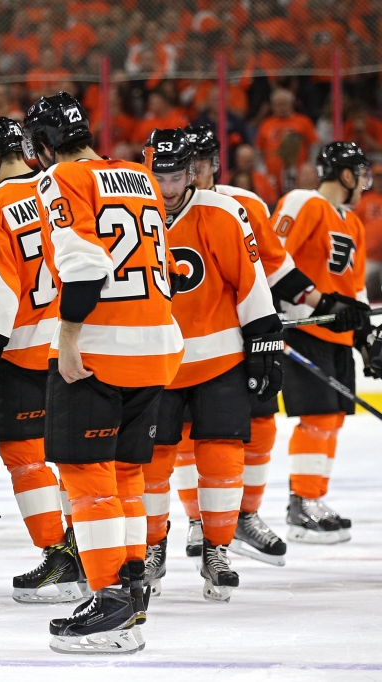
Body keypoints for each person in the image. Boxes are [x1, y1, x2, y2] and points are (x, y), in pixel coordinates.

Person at [26, 92, 184, 655]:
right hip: (158, 342)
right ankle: (133, 587)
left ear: (42, 145)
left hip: (102, 346)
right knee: (127, 475)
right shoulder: (136, 176)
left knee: (85, 473)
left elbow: (84, 263)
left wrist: (68, 338)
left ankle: (110, 597)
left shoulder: (60, 178)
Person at [142, 129, 282, 603]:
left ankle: (216, 550)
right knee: (152, 460)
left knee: (222, 455)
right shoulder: (130, 211)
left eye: (178, 176)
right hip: (154, 359)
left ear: (192, 174)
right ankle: (150, 547)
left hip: (219, 357)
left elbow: (250, 279)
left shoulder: (222, 212)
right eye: (160, 177)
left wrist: (264, 338)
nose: (169, 187)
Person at [0, 116, 83, 605]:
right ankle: (94, 551)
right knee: (78, 456)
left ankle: (59, 557)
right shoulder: (58, 187)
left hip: (23, 350)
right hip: (76, 344)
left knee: (26, 457)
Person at [184, 124, 317, 565]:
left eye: (200, 163)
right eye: (186, 163)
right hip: (178, 347)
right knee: (185, 435)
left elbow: (277, 270)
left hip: (243, 344)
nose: (192, 172)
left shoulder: (246, 204)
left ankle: (244, 516)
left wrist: (324, 300)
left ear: (214, 164)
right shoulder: (150, 208)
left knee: (260, 427)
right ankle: (198, 520)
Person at [271, 142, 373, 545]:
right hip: (304, 326)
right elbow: (272, 256)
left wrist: (365, 337)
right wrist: (315, 300)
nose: (365, 182)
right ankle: (301, 505)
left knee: (330, 420)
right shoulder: (304, 202)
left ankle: (314, 499)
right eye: (361, 173)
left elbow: (357, 288)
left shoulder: (354, 222)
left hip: (335, 333)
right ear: (345, 175)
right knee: (315, 418)